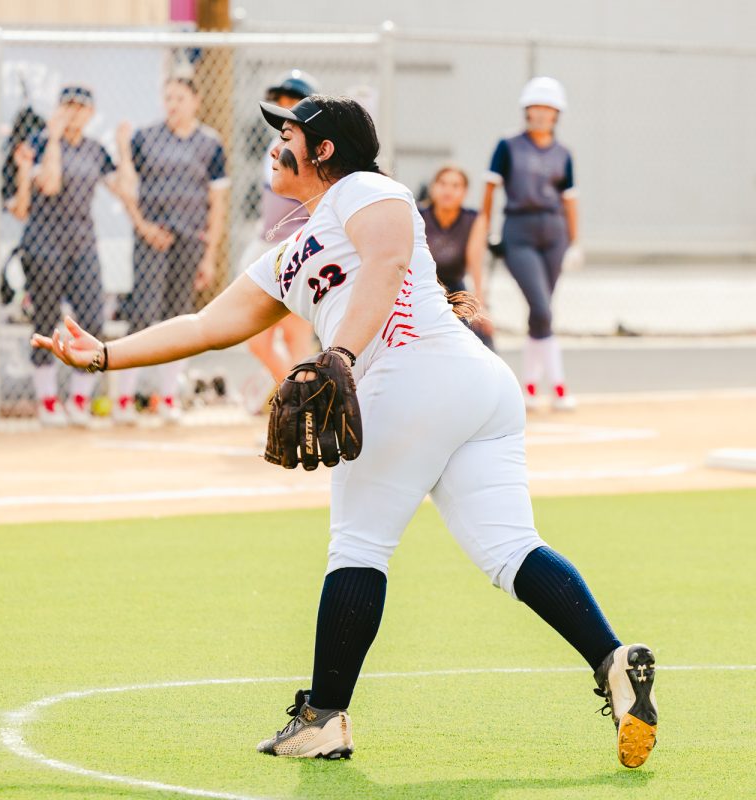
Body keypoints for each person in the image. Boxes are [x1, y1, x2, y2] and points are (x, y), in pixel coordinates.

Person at [32, 94, 657, 769]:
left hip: (411, 380)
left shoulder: (363, 188)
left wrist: (342, 357)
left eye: (291, 135)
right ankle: (613, 660)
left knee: (358, 545)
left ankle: (324, 718)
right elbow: (204, 327)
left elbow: (388, 262)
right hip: (475, 390)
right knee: (509, 549)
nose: (276, 146)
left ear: (325, 151)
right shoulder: (288, 252)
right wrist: (103, 355)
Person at [111, 76, 228, 424]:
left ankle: (167, 397)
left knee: (180, 319)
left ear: (197, 100)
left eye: (180, 98)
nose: (172, 104)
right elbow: (126, 187)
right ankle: (124, 399)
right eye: (168, 98)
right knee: (143, 316)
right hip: (152, 238)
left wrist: (209, 254)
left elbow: (216, 202)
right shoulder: (145, 138)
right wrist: (142, 225)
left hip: (190, 240)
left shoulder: (210, 144)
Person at [10, 85, 123, 427]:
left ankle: (78, 400)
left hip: (81, 241)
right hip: (44, 242)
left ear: (90, 113)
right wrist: (55, 139)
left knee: (91, 318)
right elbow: (50, 184)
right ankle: (47, 402)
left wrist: (123, 152)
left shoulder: (95, 150)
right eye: (68, 107)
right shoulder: (39, 143)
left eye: (81, 108)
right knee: (45, 317)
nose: (74, 113)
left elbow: (124, 187)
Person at [481, 76, 580, 411]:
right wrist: (486, 232)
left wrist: (574, 242)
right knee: (541, 307)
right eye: (535, 107)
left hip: (554, 232)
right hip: (519, 229)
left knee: (542, 314)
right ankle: (559, 386)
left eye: (548, 109)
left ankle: (532, 388)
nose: (541, 114)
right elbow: (491, 190)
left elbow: (570, 199)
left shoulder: (564, 153)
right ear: (527, 111)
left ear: (556, 115)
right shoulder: (508, 146)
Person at [244, 71, 319, 395]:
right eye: (281, 101)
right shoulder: (274, 147)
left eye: (293, 101)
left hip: (297, 251)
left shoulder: (313, 150)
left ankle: (303, 407)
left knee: (295, 335)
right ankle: (298, 399)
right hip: (267, 248)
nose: (285, 108)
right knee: (257, 340)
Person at [420, 164, 494, 349]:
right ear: (433, 188)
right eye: (443, 183)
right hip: (422, 288)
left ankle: (489, 375)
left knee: (478, 331)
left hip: (455, 289)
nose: (448, 190)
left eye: (455, 185)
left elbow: (475, 263)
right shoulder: (418, 215)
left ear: (465, 191)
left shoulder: (475, 219)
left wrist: (480, 304)